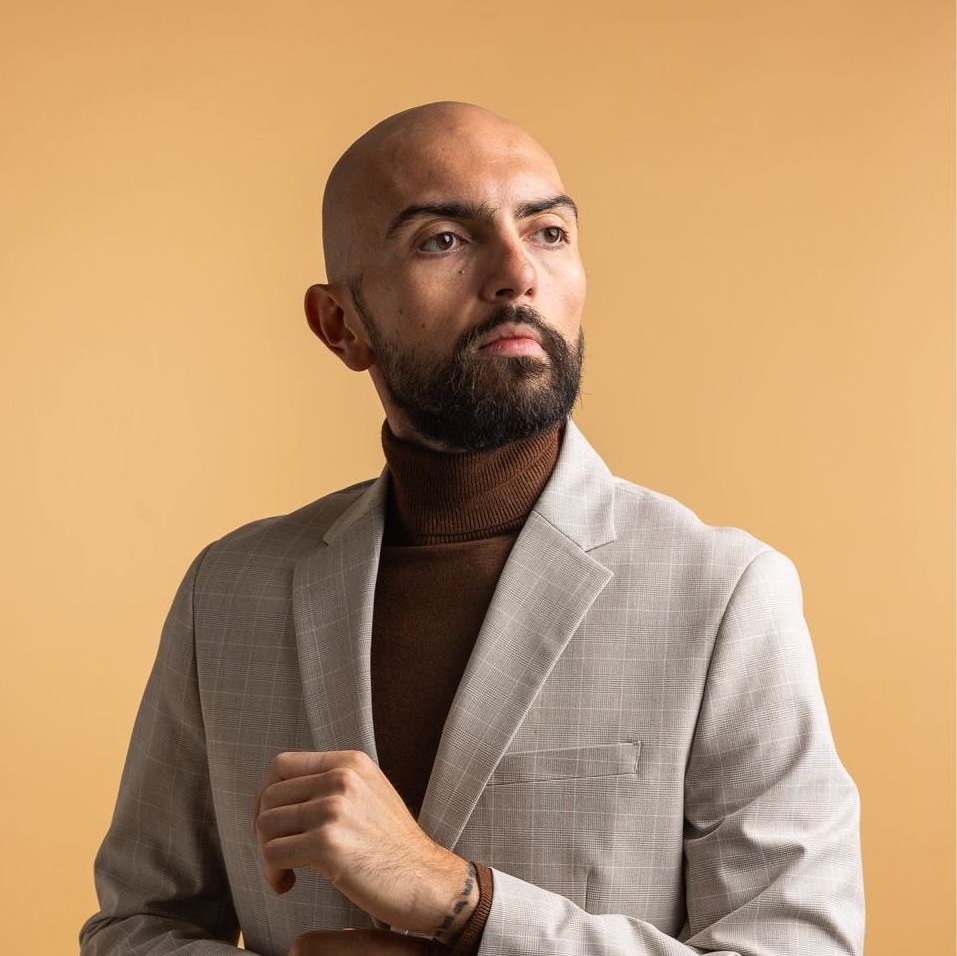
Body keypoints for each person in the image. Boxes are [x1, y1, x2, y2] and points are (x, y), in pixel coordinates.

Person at [80, 102, 864, 956]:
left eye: (549, 231)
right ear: (339, 324)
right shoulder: (228, 591)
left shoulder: (722, 594)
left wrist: (463, 901)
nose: (516, 274)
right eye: (442, 241)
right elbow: (136, 926)